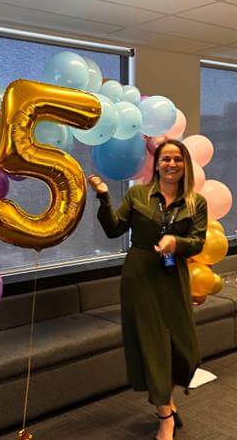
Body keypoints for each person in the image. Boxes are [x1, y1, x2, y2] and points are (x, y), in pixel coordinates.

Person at [89, 139, 207, 440]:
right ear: (157, 164)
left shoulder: (196, 202)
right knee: (152, 346)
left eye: (177, 159)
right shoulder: (138, 195)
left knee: (184, 347)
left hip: (173, 276)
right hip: (140, 277)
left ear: (185, 165)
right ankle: (165, 415)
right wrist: (103, 197)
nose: (171, 164)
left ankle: (166, 398)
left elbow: (197, 242)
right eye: (166, 159)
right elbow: (114, 229)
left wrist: (176, 243)